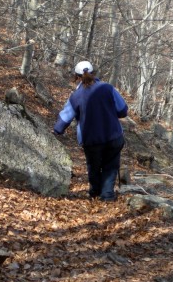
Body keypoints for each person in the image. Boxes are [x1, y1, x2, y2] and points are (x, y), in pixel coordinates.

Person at [54, 60, 128, 201]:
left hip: (91, 140)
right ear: (94, 73)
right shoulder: (108, 88)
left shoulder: (76, 96)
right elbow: (123, 111)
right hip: (114, 136)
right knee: (110, 166)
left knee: (94, 167)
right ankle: (107, 196)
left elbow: (65, 118)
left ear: (76, 77)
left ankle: (95, 193)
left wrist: (57, 130)